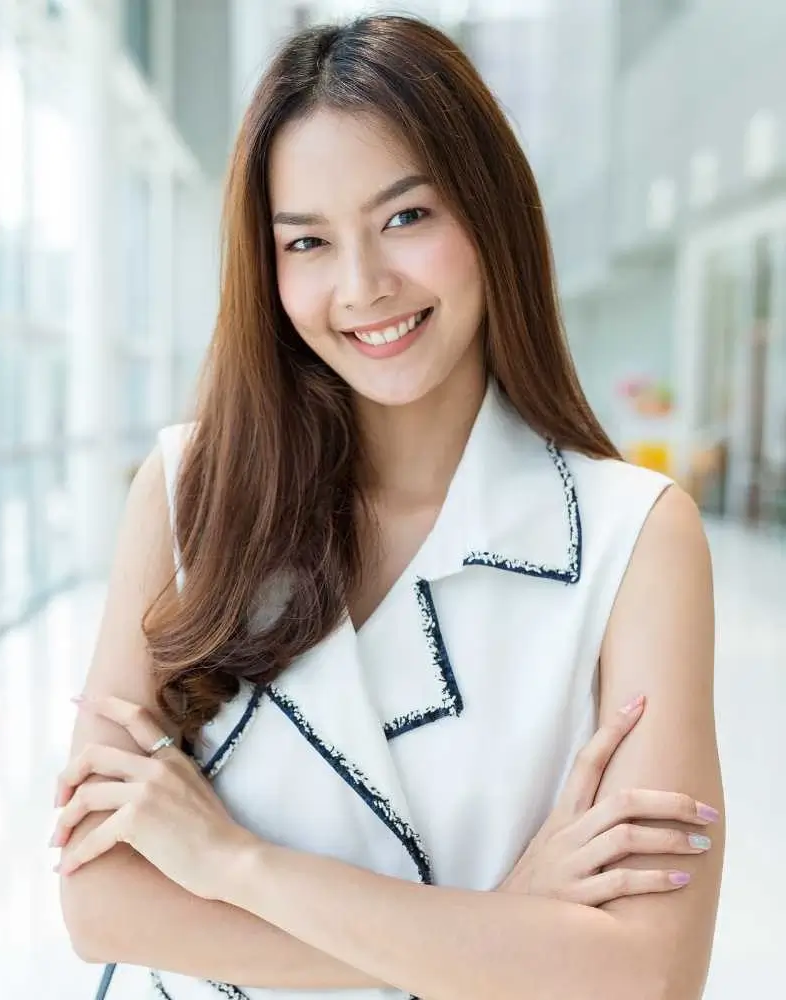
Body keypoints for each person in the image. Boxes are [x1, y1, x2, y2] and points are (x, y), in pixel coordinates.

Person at [51, 14, 724, 1000]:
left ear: (489, 214)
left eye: (407, 217)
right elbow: (101, 907)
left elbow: (646, 977)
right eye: (308, 242)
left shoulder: (637, 536)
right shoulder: (187, 490)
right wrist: (501, 934)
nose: (361, 286)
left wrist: (233, 864)